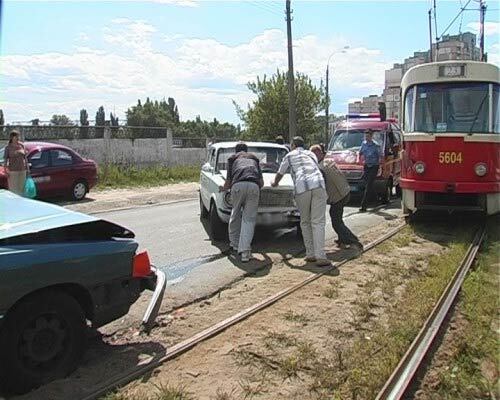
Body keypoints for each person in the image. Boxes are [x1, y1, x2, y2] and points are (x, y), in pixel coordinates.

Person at [271, 136, 330, 267]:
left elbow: (280, 173)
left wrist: (274, 183)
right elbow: (316, 166)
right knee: (318, 221)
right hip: (319, 184)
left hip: (302, 187)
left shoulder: (289, 155)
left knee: (305, 221)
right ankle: (321, 256)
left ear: (292, 145)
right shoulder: (311, 154)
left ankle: (310, 254)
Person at [310, 145, 362, 250]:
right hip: (345, 192)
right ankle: (342, 240)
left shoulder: (321, 168)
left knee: (336, 221)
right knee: (336, 218)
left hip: (338, 196)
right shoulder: (328, 161)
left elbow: (322, 186)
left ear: (317, 154)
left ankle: (353, 241)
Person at [220, 142, 264, 262]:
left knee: (235, 214)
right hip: (254, 185)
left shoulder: (232, 159)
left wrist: (222, 188)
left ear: (236, 151)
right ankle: (245, 252)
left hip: (237, 185)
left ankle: (234, 244)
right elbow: (261, 182)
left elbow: (228, 181)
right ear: (246, 150)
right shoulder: (254, 158)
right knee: (248, 219)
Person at [359, 129, 381, 212]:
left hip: (374, 166)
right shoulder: (363, 144)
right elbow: (360, 153)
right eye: (366, 136)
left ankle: (363, 206)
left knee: (368, 185)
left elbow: (380, 156)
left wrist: (380, 165)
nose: (366, 137)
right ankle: (376, 199)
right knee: (368, 183)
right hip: (366, 165)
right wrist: (360, 160)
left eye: (368, 136)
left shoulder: (376, 145)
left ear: (371, 136)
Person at [4, 130, 29, 196]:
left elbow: (25, 157)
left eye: (18, 136)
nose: (18, 138)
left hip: (22, 170)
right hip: (13, 171)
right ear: (12, 137)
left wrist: (27, 169)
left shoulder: (21, 145)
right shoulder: (8, 147)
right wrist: (5, 170)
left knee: (22, 190)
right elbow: (5, 160)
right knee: (14, 191)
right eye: (16, 137)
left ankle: (21, 204)